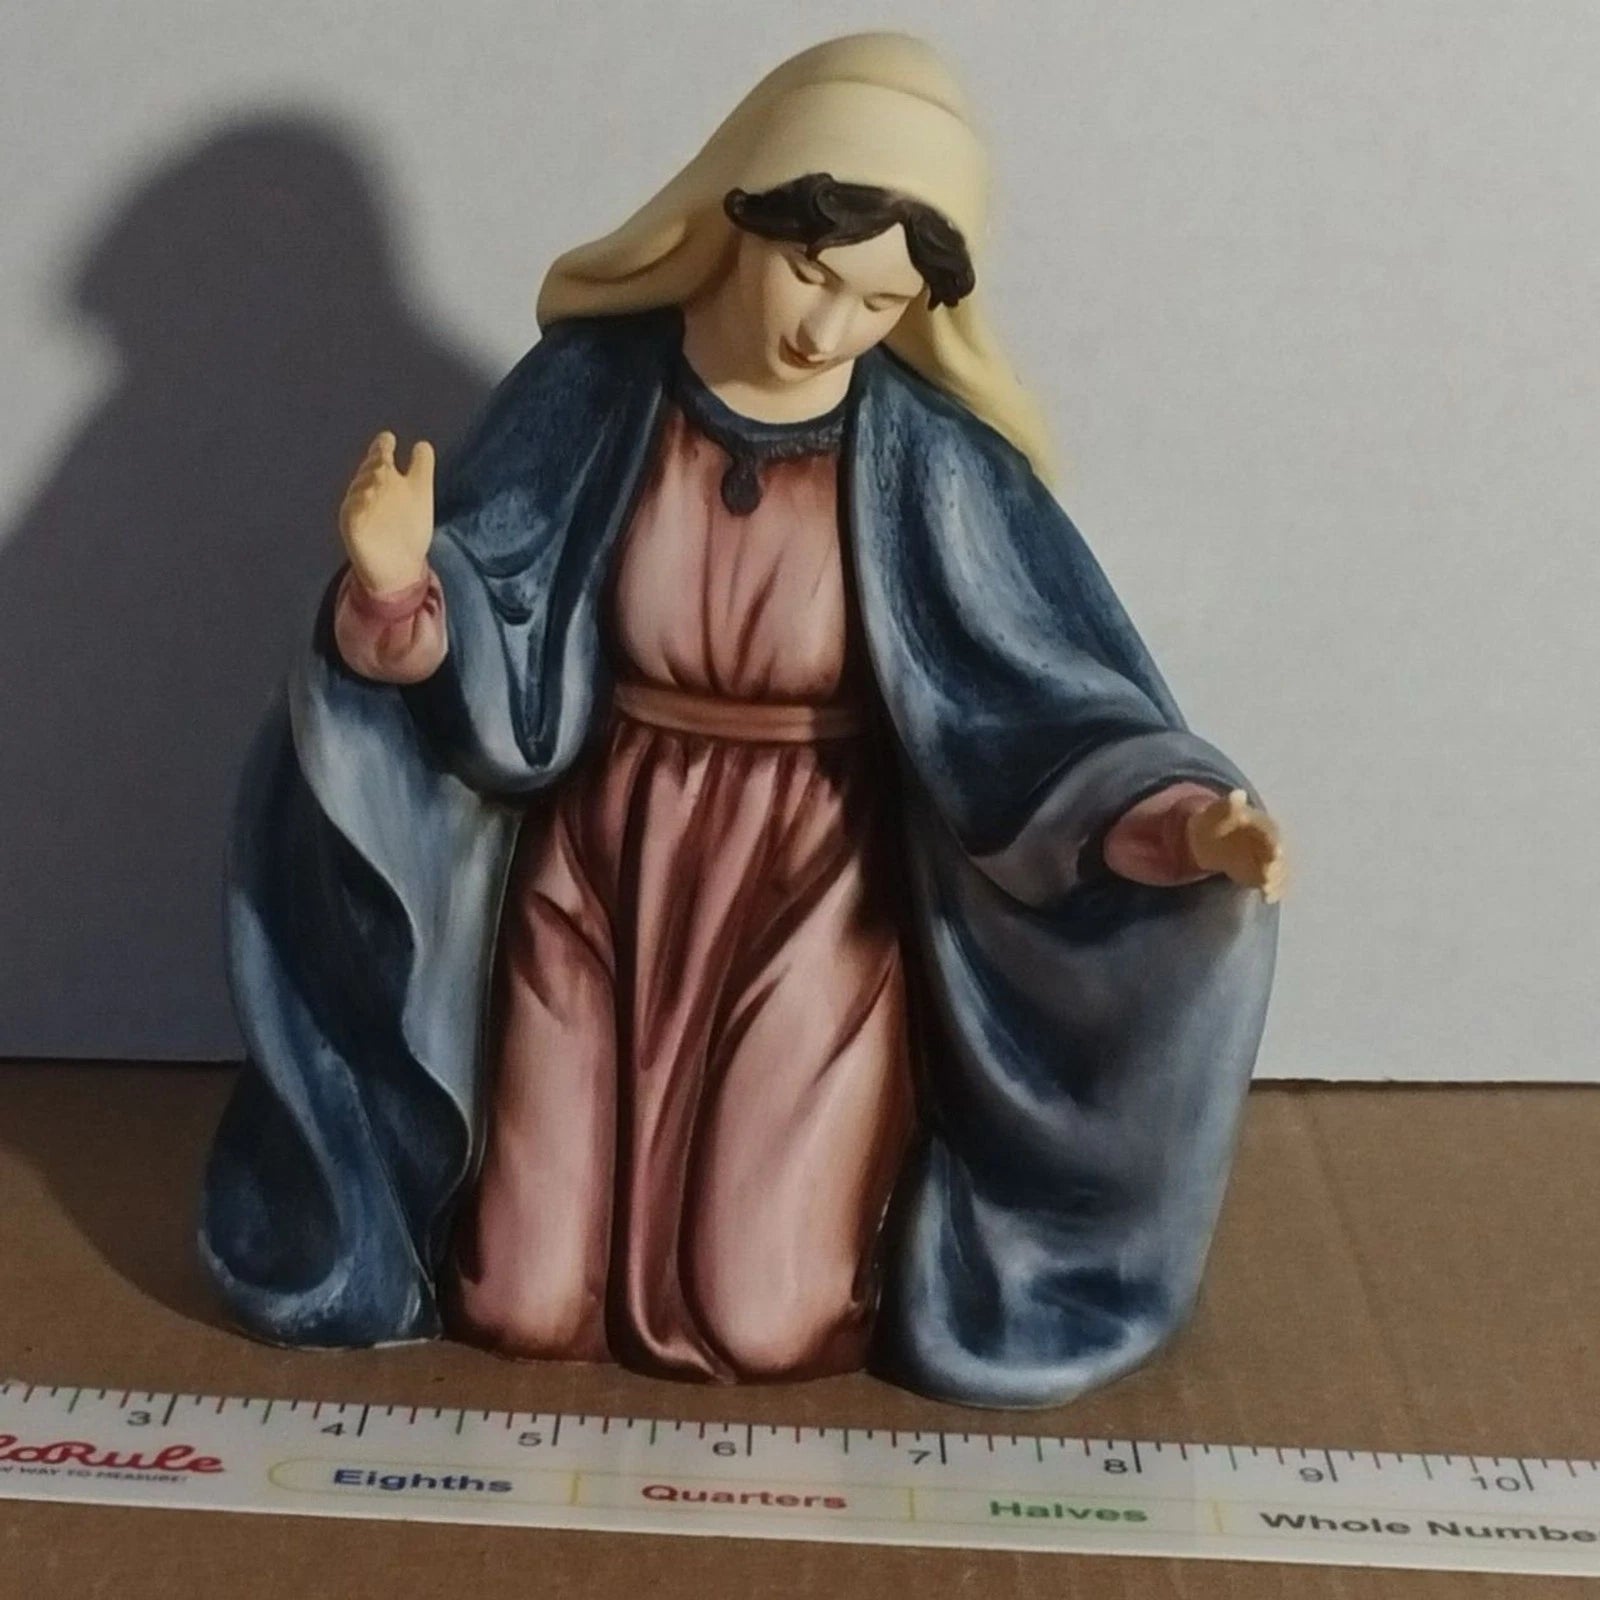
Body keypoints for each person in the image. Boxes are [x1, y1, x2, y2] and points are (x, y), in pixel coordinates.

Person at [202, 33, 1283, 1408]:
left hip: (817, 891)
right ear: (739, 217)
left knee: (770, 1318)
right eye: (815, 274)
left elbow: (1042, 713)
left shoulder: (936, 466)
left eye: (879, 303)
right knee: (522, 1297)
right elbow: (484, 628)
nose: (827, 330)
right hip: (596, 867)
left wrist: (1179, 825)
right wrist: (397, 585)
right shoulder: (593, 395)